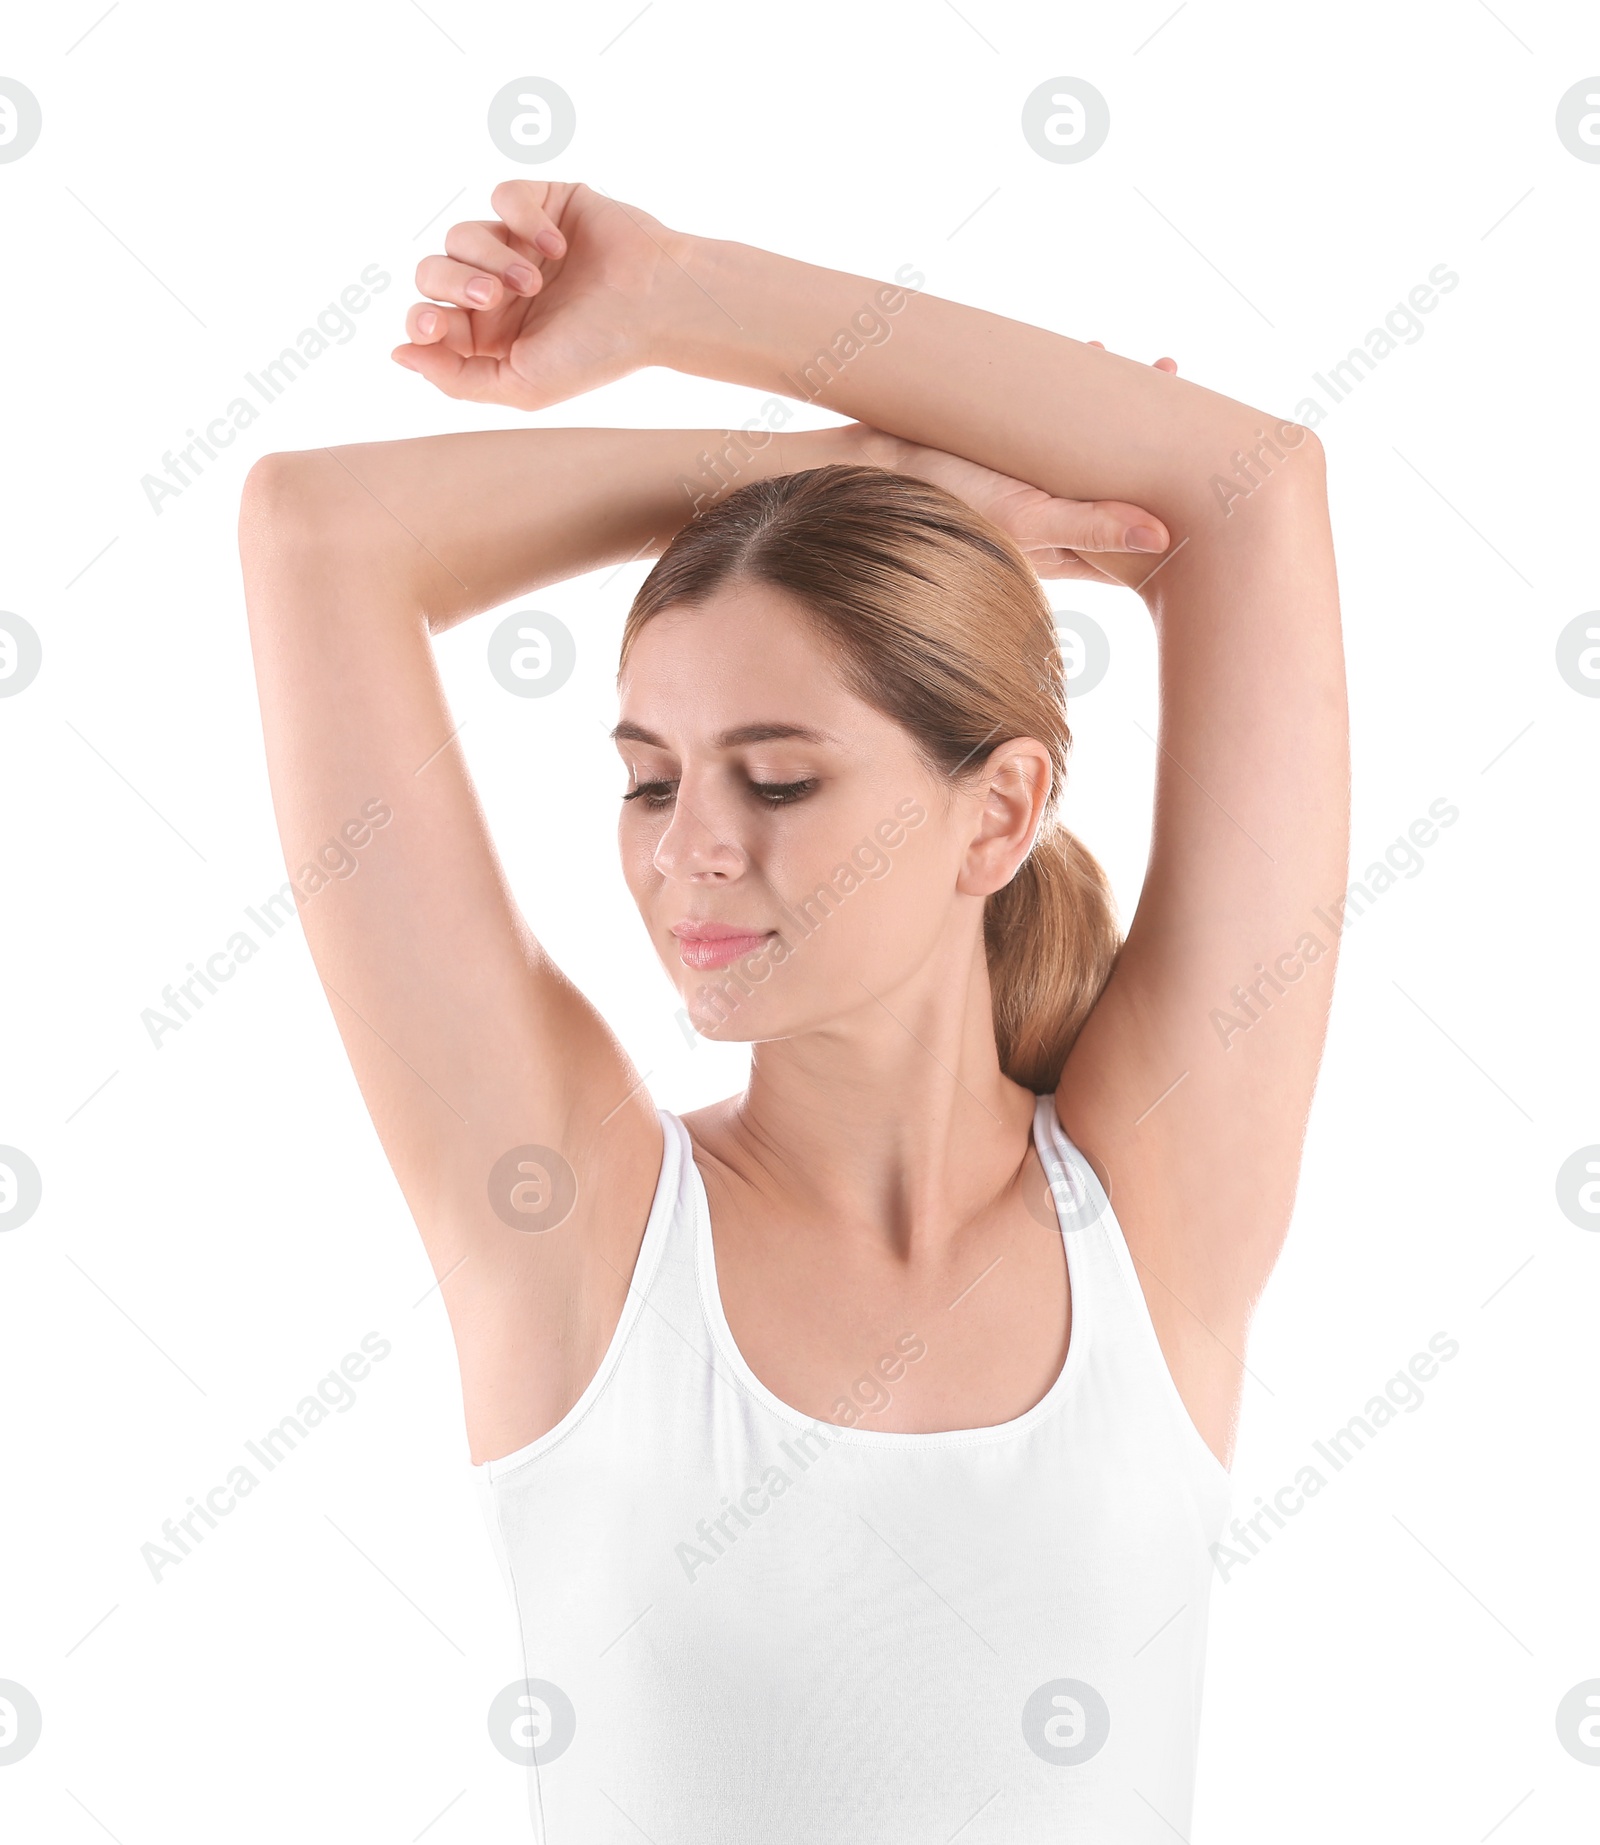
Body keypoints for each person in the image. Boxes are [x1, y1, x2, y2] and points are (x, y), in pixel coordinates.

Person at [238, 179, 1346, 1841]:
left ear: (998, 810)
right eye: (647, 777)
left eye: (775, 776)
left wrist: (685, 291)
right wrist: (845, 479)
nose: (690, 846)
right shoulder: (577, 1228)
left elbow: (1254, 491)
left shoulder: (1149, 1219)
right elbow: (311, 537)